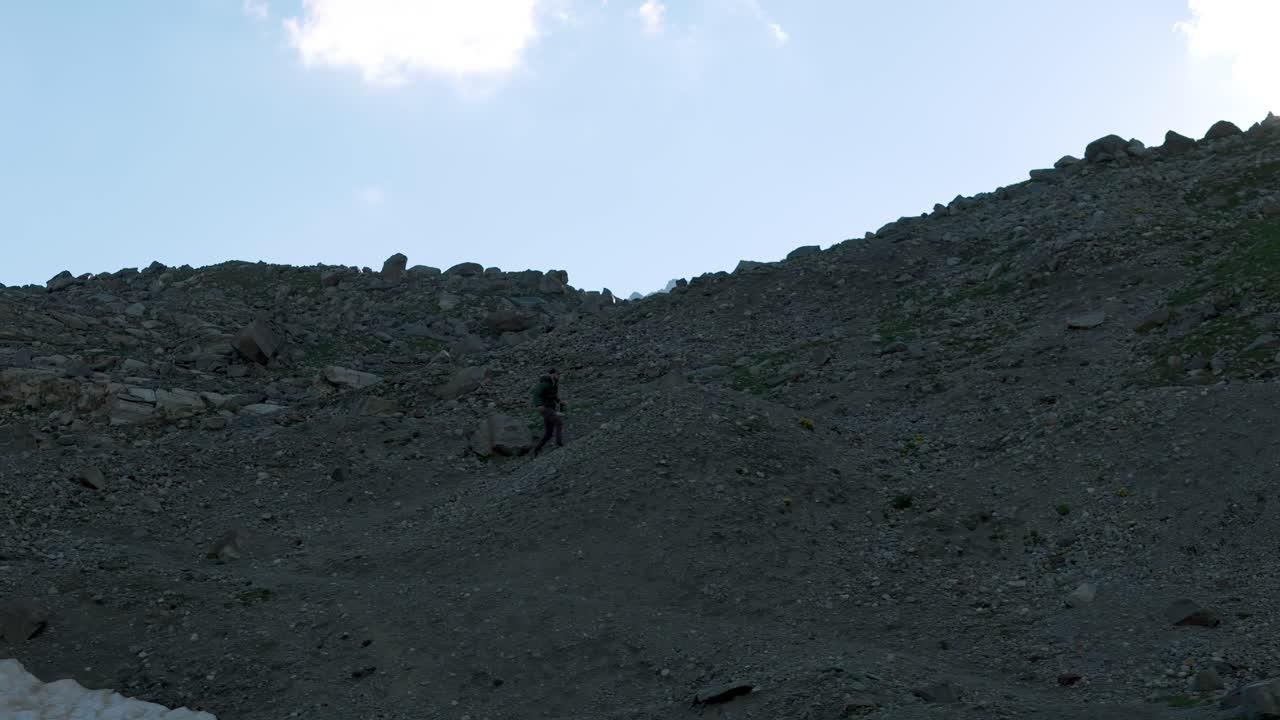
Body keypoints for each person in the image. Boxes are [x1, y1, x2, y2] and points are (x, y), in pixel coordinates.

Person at [533, 368, 566, 456]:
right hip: (545, 408)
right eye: (557, 374)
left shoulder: (554, 384)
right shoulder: (544, 384)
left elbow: (553, 396)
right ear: (552, 374)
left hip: (550, 408)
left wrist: (559, 401)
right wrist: (539, 405)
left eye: (559, 374)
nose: (559, 376)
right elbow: (536, 394)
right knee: (558, 422)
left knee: (548, 434)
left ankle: (536, 449)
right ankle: (559, 443)